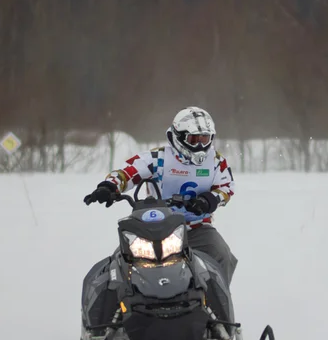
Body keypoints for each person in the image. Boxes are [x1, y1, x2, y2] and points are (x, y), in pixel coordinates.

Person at [83, 106, 238, 286]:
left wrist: (209, 200)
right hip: (154, 227)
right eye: (194, 139)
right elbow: (128, 173)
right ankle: (115, 305)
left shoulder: (216, 162)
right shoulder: (158, 158)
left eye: (205, 139)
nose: (200, 146)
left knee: (222, 256)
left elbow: (226, 187)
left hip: (197, 229)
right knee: (118, 263)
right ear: (178, 137)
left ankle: (217, 301)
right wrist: (109, 186)